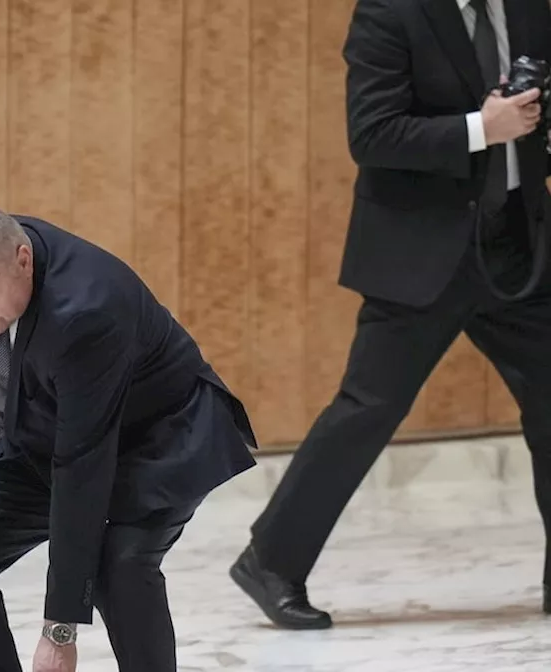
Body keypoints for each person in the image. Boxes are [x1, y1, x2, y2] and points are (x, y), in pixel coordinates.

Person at [229, 0, 551, 630]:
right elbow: (371, 134)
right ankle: (270, 561)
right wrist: (482, 128)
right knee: (367, 410)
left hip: (516, 243)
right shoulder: (391, 11)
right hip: (421, 253)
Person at [0, 198, 258, 672]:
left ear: (23, 260)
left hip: (158, 440)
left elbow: (81, 467)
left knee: (119, 567)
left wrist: (59, 631)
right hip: (49, 431)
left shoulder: (87, 313)